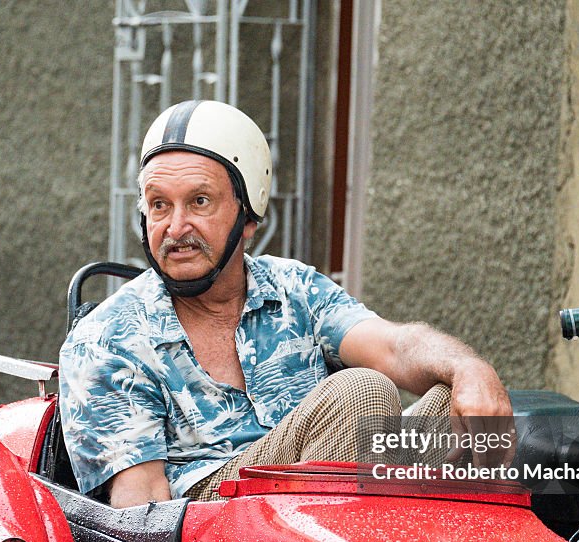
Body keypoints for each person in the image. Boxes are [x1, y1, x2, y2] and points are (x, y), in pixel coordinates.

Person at [60, 100, 512, 508]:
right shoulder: (106, 338)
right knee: (361, 393)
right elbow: (140, 519)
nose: (176, 227)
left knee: (449, 406)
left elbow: (394, 346)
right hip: (206, 535)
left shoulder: (294, 286)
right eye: (159, 205)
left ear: (248, 214)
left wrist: (469, 369)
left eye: (199, 202)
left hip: (324, 496)